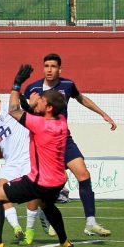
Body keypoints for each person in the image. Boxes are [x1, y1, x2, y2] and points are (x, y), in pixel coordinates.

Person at [0, 65, 73, 247]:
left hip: (39, 181)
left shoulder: (39, 125)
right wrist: (30, 105)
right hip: (57, 180)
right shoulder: (61, 121)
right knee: (47, 204)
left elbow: (14, 110)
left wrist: (17, 84)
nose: (38, 99)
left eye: (42, 100)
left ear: (48, 107)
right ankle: (64, 242)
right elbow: (31, 114)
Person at [23, 53, 114, 237]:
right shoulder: (32, 88)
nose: (49, 69)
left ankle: (90, 222)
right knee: (46, 185)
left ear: (59, 69)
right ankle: (43, 213)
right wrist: (30, 105)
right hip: (43, 143)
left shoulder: (68, 85)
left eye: (53, 66)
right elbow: (22, 112)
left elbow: (82, 99)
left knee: (83, 174)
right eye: (46, 66)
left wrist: (102, 114)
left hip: (64, 139)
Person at [0, 88, 39, 245]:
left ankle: (30, 230)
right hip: (11, 162)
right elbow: (1, 149)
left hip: (27, 158)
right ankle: (17, 228)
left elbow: (22, 108)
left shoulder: (8, 110)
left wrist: (29, 101)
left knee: (32, 193)